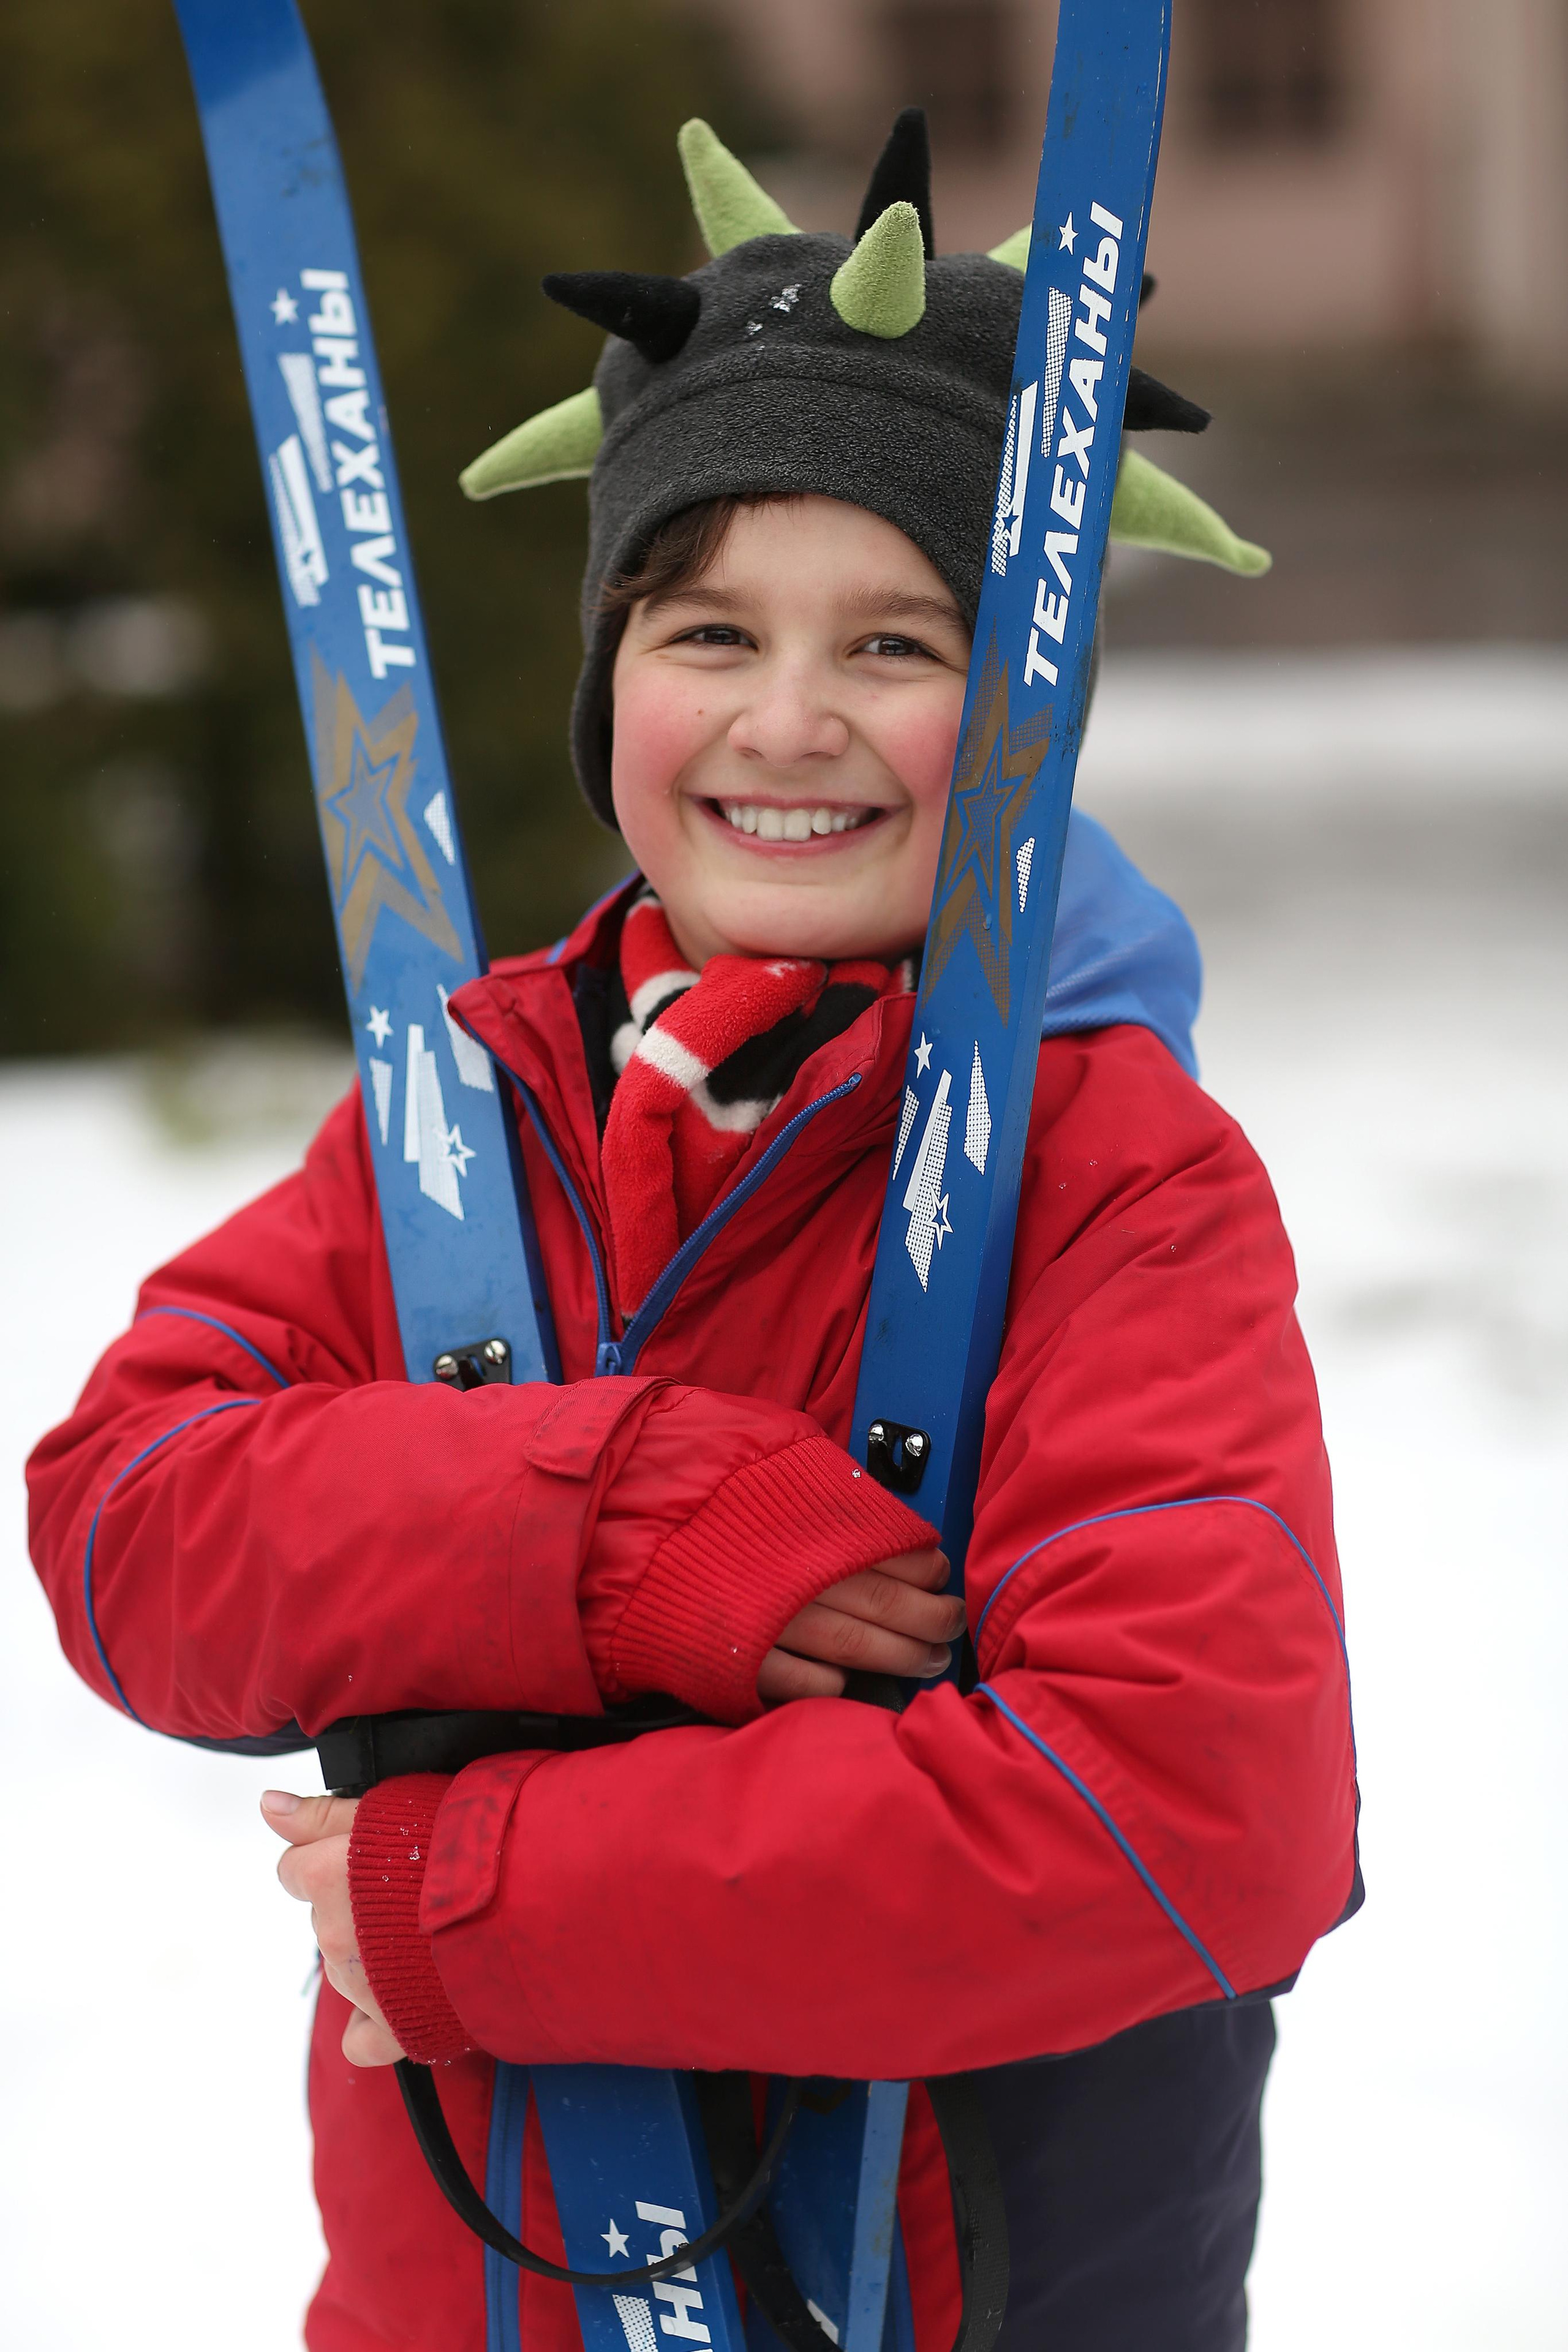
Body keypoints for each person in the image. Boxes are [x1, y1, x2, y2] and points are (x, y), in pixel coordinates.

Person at [27, 116, 1357, 2352]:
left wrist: (471, 1903)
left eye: (900, 643)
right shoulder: (470, 1110)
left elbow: (1191, 1808)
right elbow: (129, 1523)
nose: (789, 720)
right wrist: (626, 1523)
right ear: (610, 675)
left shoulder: (1116, 1182)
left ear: (1023, 716)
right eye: (709, 626)